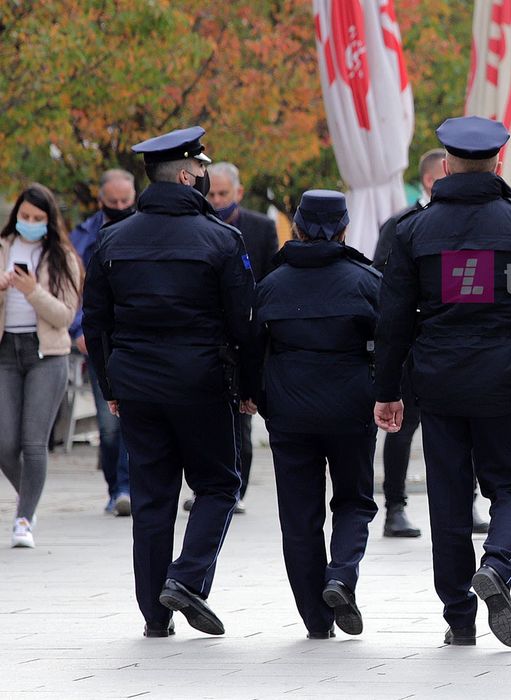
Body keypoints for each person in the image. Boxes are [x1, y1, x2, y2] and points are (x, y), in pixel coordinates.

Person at [372, 116, 511, 648]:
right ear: (498, 164)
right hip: (504, 379)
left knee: (448, 498)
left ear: (444, 166)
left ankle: (459, 617)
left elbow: (392, 320)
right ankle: (498, 563)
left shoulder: (410, 229)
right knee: (510, 486)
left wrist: (387, 390)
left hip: (436, 382)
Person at [82, 126, 257, 637]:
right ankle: (185, 578)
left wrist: (111, 385)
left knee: (154, 498)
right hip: (203, 384)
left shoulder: (113, 239)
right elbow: (243, 323)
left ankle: (155, 617)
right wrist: (250, 388)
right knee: (220, 484)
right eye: (201, 169)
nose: (205, 176)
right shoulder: (222, 238)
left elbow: (97, 322)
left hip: (137, 387)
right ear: (186, 174)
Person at [254, 190, 379, 639]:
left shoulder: (271, 284)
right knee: (354, 500)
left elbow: (251, 349)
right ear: (345, 229)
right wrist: (385, 395)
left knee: (299, 517)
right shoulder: (366, 280)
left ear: (298, 227)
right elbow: (390, 344)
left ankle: (315, 618)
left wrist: (260, 399)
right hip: (351, 408)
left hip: (289, 413)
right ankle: (341, 574)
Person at [372, 149, 489, 538]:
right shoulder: (402, 224)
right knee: (402, 429)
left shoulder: (468, 222)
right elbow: (383, 286)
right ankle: (395, 508)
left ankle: (467, 503)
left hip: (450, 344)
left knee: (464, 426)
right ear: (431, 179)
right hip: (412, 346)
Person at [183, 162, 279, 515]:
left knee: (242, 416)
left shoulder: (261, 227)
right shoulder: (196, 228)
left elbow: (269, 279)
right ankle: (204, 485)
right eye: (212, 194)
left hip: (247, 335)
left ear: (238, 193)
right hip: (208, 336)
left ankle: (236, 486)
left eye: (224, 193)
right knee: (202, 417)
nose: (218, 200)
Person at [1, 184, 83, 548]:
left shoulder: (62, 255)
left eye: (37, 219)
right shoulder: (3, 248)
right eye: (25, 217)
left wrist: (32, 290)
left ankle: (23, 519)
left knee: (33, 443)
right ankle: (29, 499)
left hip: (46, 355)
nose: (29, 224)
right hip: (6, 351)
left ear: (49, 222)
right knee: (5, 443)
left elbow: (65, 315)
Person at [69, 169, 136, 516]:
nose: (121, 207)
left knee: (133, 421)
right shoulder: (80, 238)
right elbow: (71, 289)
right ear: (101, 201)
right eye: (114, 203)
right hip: (98, 340)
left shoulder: (143, 230)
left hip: (132, 339)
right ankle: (115, 487)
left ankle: (128, 486)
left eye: (127, 201)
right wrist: (77, 330)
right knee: (109, 426)